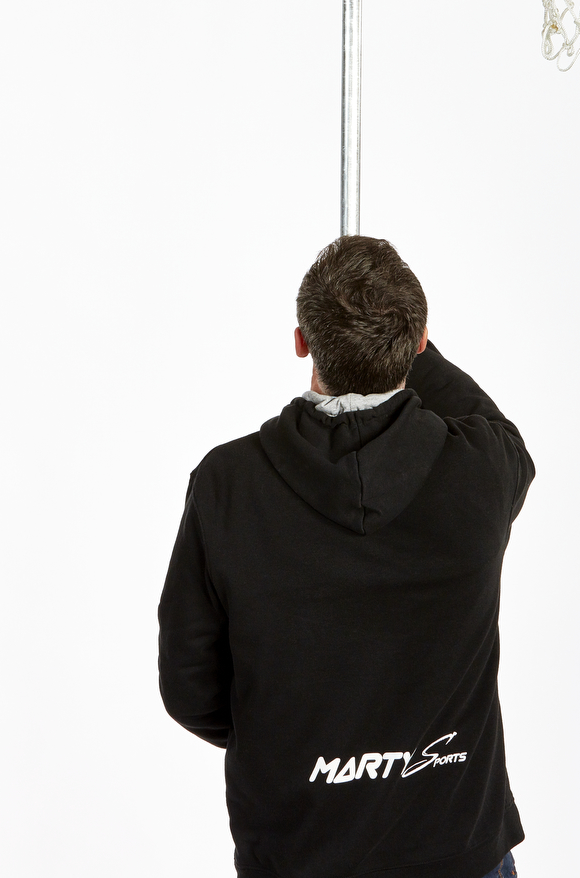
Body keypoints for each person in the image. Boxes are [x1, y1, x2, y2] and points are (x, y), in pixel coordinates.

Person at [158, 235, 534, 878]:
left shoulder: (228, 485)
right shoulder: (482, 472)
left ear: (301, 341)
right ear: (419, 342)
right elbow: (501, 430)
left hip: (297, 855)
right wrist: (398, 334)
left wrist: (297, 744)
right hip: (457, 853)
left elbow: (191, 689)